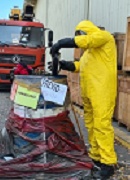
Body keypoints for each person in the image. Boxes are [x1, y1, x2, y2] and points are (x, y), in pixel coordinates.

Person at [49, 20, 118, 179]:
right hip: (90, 92)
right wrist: (65, 65)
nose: (79, 40)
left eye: (80, 35)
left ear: (86, 31)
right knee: (91, 124)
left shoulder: (105, 38)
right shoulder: (88, 53)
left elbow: (89, 40)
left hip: (102, 90)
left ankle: (108, 163)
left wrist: (61, 43)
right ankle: (96, 156)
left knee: (102, 125)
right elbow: (81, 66)